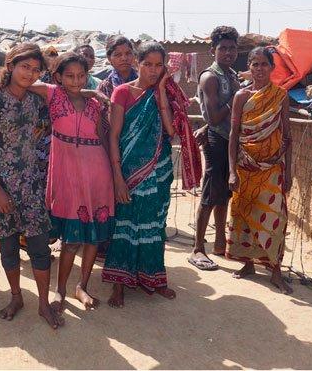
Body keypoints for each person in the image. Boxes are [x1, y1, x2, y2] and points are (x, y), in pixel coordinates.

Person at [102, 42, 201, 304]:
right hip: (129, 171)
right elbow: (113, 136)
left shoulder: (166, 92)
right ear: (137, 63)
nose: (153, 70)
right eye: (148, 64)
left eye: (159, 65)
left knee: (154, 226)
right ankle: (119, 285)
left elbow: (171, 132)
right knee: (125, 225)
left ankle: (153, 278)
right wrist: (117, 178)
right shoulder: (122, 92)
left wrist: (159, 91)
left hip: (159, 171)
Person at [0, 44, 58, 328]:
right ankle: (16, 296)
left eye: (36, 69)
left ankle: (44, 304)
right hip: (0, 185)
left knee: (39, 247)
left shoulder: (37, 99)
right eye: (25, 67)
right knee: (8, 247)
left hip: (31, 184)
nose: (30, 74)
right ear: (11, 65)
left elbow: (68, 92)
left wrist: (95, 93)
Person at [227, 45, 293, 294]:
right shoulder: (241, 97)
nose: (259, 68)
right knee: (244, 214)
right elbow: (234, 134)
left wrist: (288, 171)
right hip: (245, 166)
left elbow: (287, 136)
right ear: (249, 68)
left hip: (272, 167)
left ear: (272, 67)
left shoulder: (280, 96)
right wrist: (232, 171)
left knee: (275, 218)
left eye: (264, 64)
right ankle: (248, 264)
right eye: (255, 64)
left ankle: (275, 271)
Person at [189, 26, 244, 271]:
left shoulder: (231, 75)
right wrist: (235, 95)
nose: (228, 53)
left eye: (232, 48)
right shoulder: (211, 77)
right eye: (223, 48)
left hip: (230, 140)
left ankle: (220, 243)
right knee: (210, 194)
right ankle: (198, 248)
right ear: (213, 50)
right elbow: (212, 117)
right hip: (216, 139)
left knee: (224, 194)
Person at [95, 35, 137, 99]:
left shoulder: (142, 82)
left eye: (128, 53)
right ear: (109, 58)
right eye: (118, 55)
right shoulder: (105, 87)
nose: (124, 58)